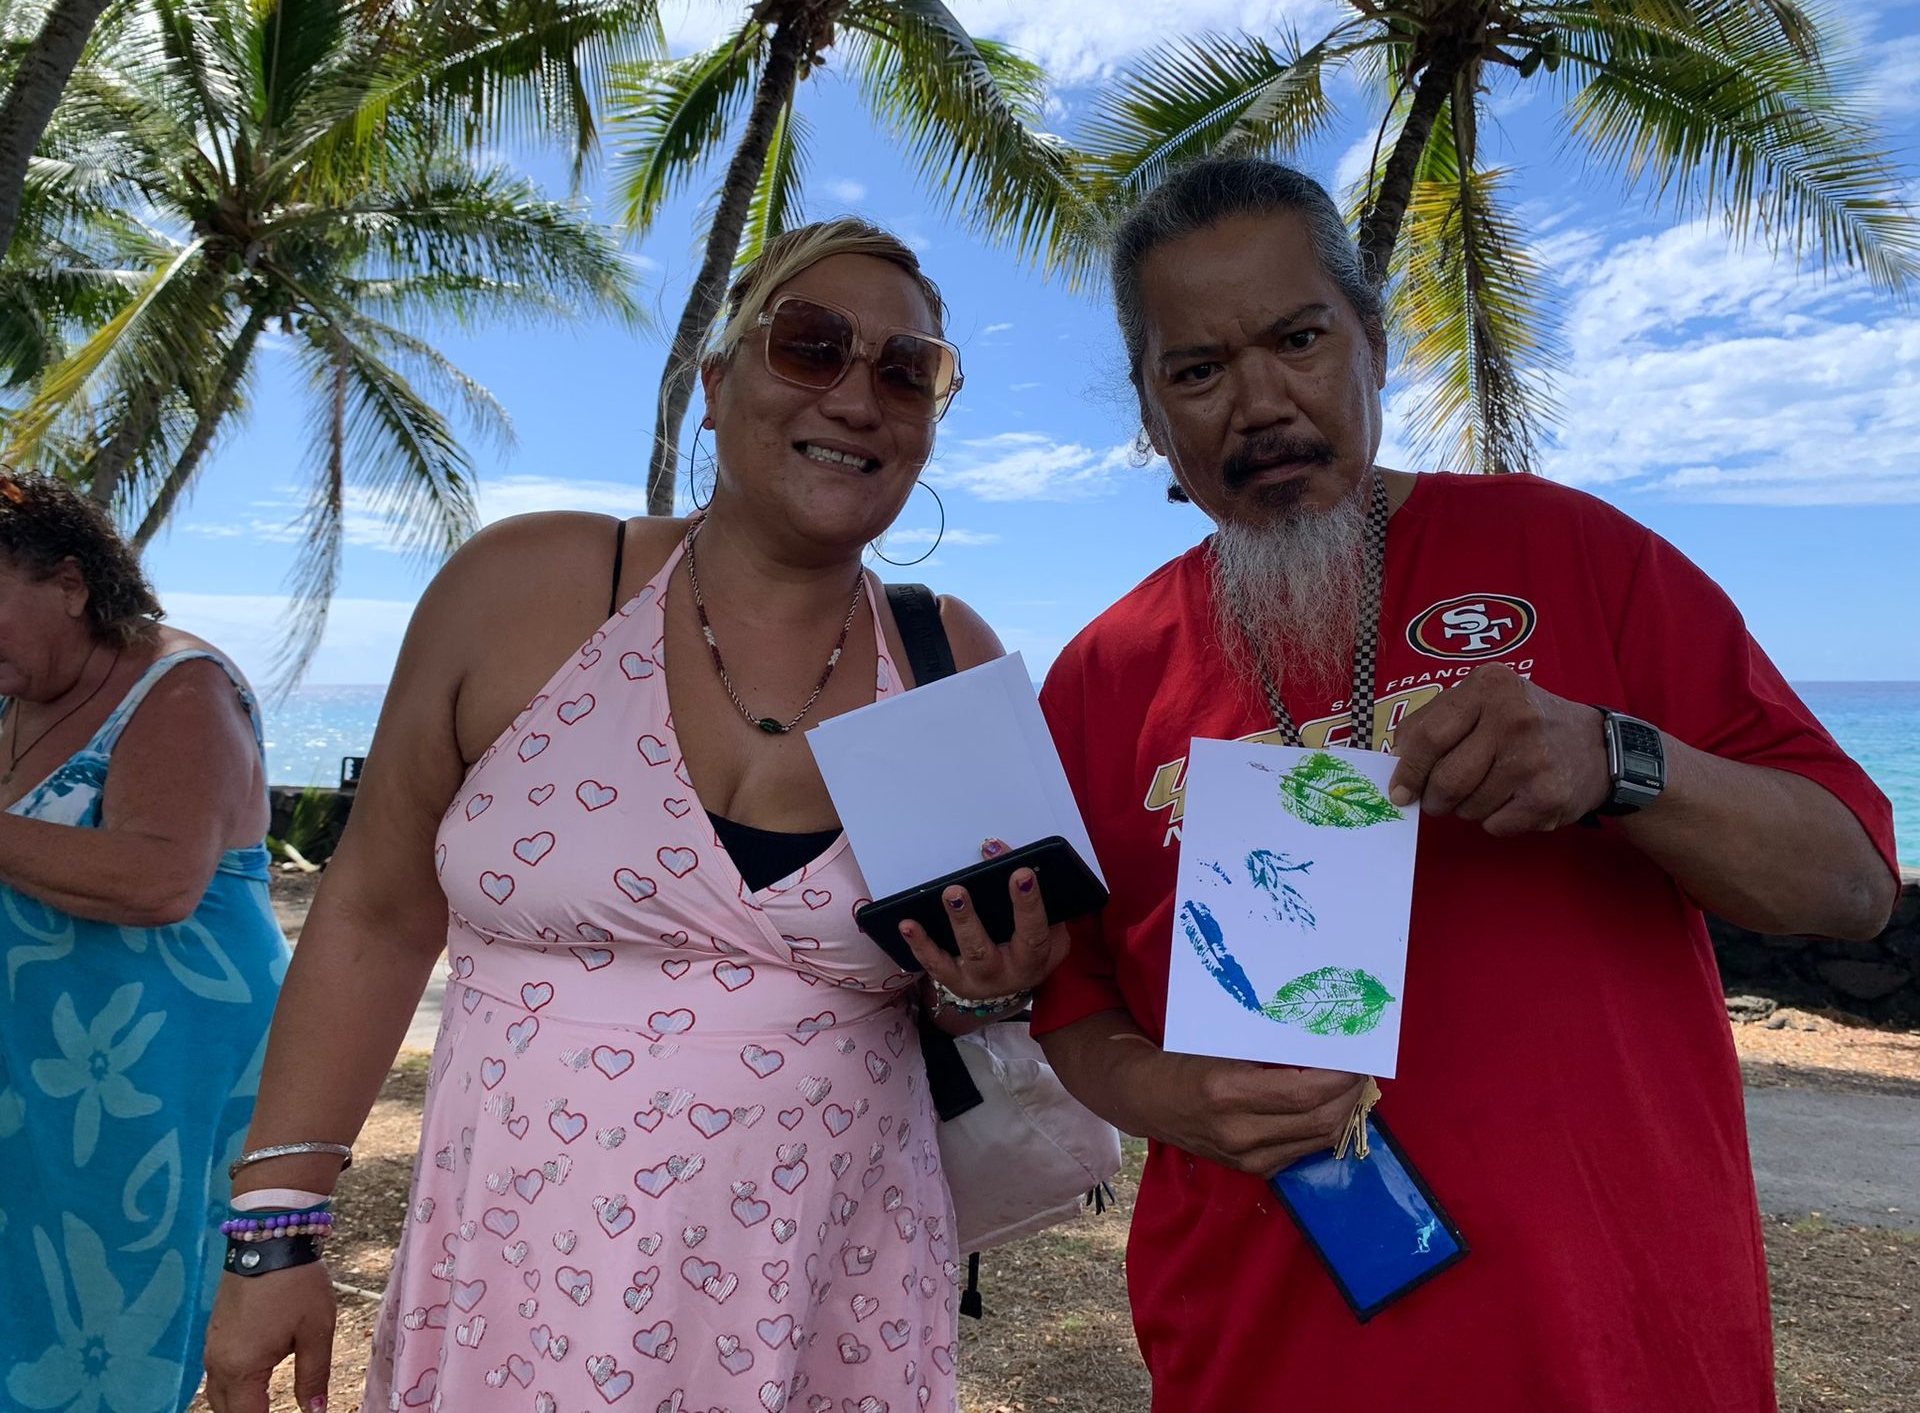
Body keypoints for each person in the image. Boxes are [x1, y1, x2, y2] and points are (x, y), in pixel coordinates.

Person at [1031, 158, 1899, 1411]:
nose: (1259, 402)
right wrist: (1165, 1094)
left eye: (1297, 338)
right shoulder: (1103, 676)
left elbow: (1856, 883)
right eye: (1198, 371)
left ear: (1372, 345)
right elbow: (1071, 995)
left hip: (1618, 1351)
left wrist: (1621, 762)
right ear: (1152, 412)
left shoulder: (1574, 553)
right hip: (1257, 1353)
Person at [202, 218, 1069, 1413]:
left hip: (825, 1283)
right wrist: (276, 1228)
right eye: (811, 345)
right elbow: (373, 911)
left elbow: (967, 1000)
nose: (858, 395)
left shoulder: (949, 661)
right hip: (520, 1268)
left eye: (906, 370)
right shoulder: (524, 591)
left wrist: (985, 985)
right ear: (716, 388)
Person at [0, 470, 286, 1413]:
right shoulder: (14, 695)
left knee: (102, 1323)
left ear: (72, 585)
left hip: (148, 1077)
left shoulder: (179, 685)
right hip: (41, 1077)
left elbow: (161, 879)